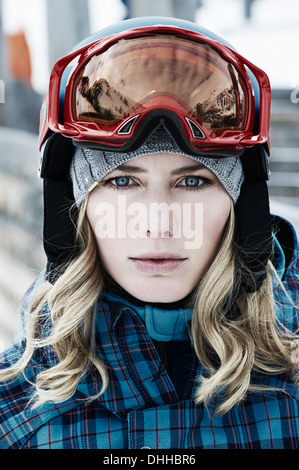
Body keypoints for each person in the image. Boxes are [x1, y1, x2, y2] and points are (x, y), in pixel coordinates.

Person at [0, 17, 298, 450]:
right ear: (74, 207)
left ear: (242, 206)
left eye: (192, 181)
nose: (158, 224)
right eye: (122, 182)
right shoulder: (16, 414)